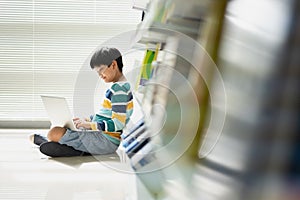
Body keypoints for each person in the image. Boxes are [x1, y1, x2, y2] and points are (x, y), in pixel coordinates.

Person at [30, 47, 134, 157]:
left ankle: (69, 147)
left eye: (101, 70)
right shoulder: (119, 87)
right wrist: (88, 120)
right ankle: (63, 143)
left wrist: (90, 125)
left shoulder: (119, 90)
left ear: (113, 64)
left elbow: (118, 124)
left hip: (105, 142)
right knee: (59, 130)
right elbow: (106, 115)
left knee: (54, 132)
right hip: (102, 137)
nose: (100, 75)